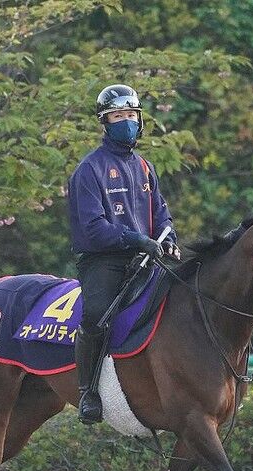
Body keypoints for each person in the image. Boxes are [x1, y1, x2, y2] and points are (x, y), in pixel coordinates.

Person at [68, 83, 180, 424]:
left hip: (146, 257)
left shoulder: (145, 167)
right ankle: (88, 391)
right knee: (96, 315)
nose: (127, 122)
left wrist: (168, 238)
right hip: (104, 260)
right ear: (105, 122)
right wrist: (137, 239)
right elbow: (93, 229)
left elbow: (161, 213)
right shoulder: (89, 169)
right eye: (118, 116)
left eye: (131, 115)